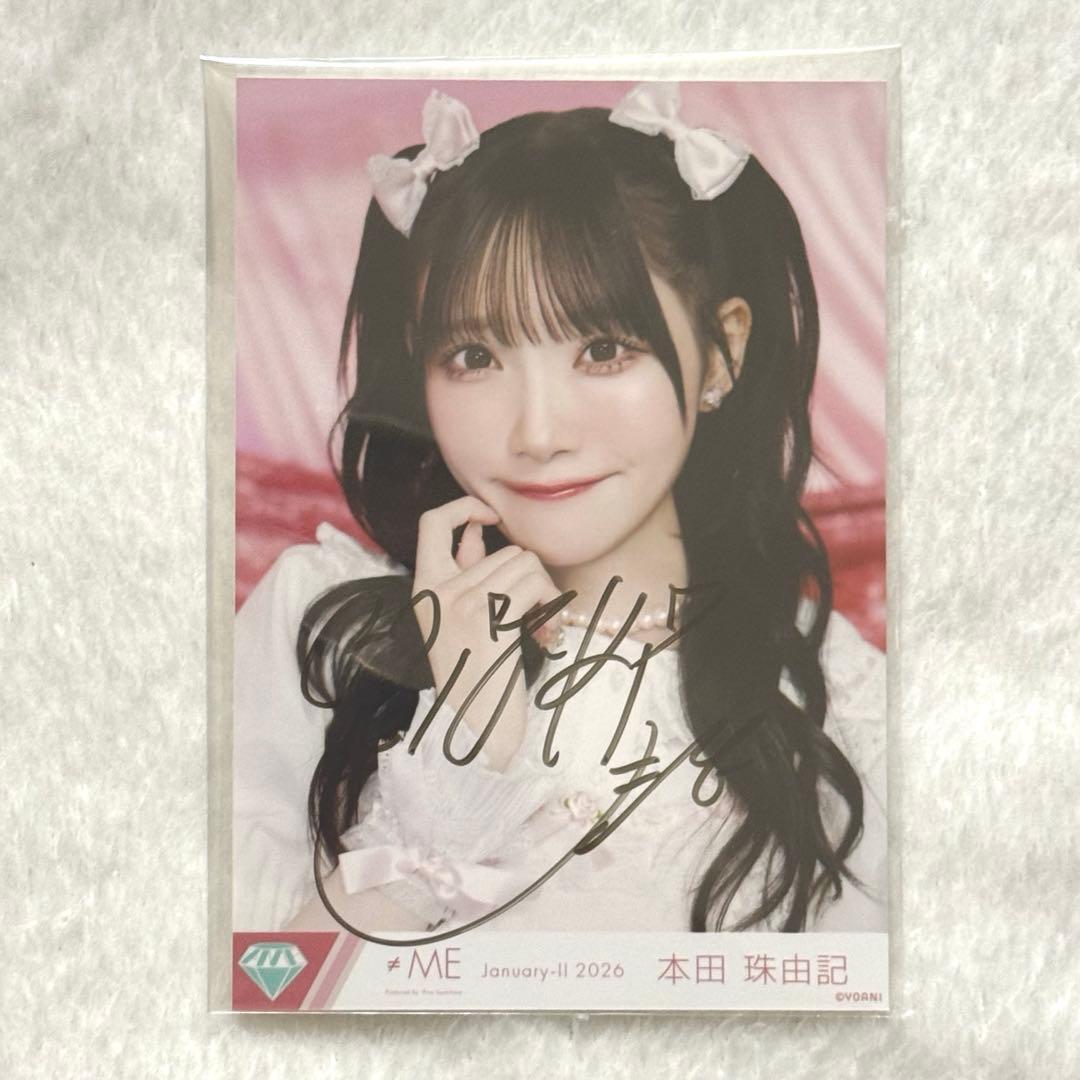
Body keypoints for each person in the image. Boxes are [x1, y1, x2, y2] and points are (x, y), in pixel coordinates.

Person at [233, 83, 887, 937]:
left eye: (603, 349)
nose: (538, 434)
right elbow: (255, 996)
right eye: (473, 356)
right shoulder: (323, 630)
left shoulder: (838, 700)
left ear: (721, 352)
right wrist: (464, 749)